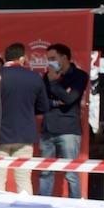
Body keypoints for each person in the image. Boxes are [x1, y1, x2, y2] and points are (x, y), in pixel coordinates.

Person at [0, 42, 48, 195]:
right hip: (25, 134)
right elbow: (43, 107)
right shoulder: (34, 77)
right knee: (24, 179)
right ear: (21, 58)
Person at [40, 43, 88, 198]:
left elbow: (70, 98)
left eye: (53, 58)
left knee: (71, 173)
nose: (50, 62)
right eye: (48, 59)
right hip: (48, 129)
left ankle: (75, 207)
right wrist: (56, 101)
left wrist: (54, 83)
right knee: (45, 172)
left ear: (64, 57)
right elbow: (42, 101)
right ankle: (42, 207)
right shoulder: (46, 76)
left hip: (68, 130)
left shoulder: (79, 75)